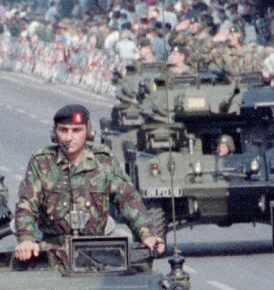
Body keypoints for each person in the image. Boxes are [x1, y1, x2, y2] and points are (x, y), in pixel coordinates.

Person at [12, 104, 166, 262]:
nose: (69, 137)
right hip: (52, 255)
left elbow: (128, 199)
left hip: (96, 255)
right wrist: (26, 239)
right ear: (55, 133)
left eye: (76, 130)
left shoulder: (103, 161)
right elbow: (26, 205)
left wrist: (146, 234)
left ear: (88, 132)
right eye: (63, 130)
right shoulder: (42, 162)